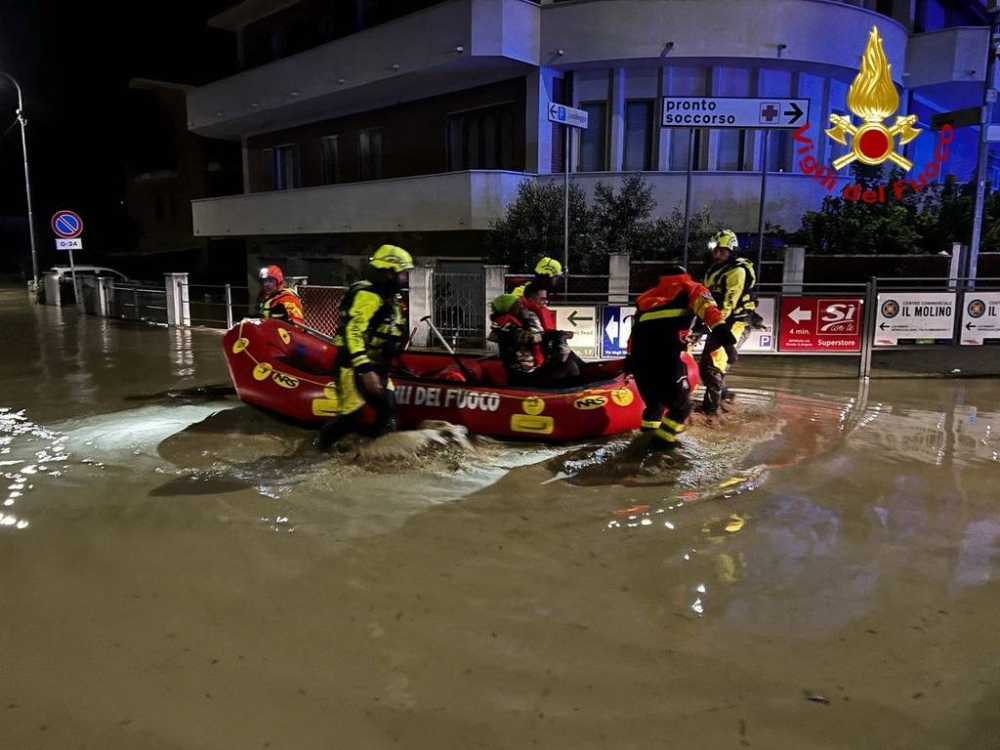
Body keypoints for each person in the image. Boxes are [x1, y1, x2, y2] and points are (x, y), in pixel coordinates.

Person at [625, 265, 736, 450]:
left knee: (654, 406)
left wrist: (628, 362)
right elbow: (712, 315)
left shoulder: (644, 298)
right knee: (682, 407)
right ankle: (662, 443)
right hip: (666, 358)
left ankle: (643, 443)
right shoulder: (691, 288)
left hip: (639, 359)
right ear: (684, 275)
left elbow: (633, 334)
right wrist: (729, 345)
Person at [316, 245, 413, 449]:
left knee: (389, 408)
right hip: (353, 366)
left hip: (376, 366)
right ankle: (320, 448)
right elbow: (353, 332)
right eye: (402, 273)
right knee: (352, 417)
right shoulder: (368, 297)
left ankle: (376, 451)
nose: (405, 278)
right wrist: (366, 370)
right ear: (388, 272)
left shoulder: (389, 300)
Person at [699, 229, 757, 415]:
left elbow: (728, 306)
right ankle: (725, 395)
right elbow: (705, 301)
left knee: (714, 368)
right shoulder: (711, 271)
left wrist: (707, 326)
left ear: (731, 251)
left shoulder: (737, 272)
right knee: (704, 366)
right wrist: (697, 326)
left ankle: (711, 415)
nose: (717, 254)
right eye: (715, 250)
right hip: (719, 323)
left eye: (722, 251)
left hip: (736, 323)